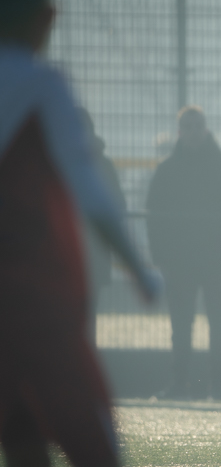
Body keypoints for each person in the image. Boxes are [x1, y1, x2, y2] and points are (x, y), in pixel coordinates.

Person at [0, 0, 161, 467]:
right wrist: (137, 268)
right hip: (40, 315)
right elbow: (89, 189)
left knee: (29, 464)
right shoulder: (42, 84)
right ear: (46, 16)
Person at [146, 106, 221, 399]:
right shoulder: (167, 170)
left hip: (217, 261)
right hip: (179, 263)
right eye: (187, 127)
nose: (193, 132)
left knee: (218, 325)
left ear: (205, 129)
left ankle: (218, 386)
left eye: (197, 126)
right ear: (180, 131)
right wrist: (161, 258)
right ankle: (180, 385)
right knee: (181, 325)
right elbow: (155, 217)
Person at [77, 107, 128, 340]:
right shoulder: (103, 164)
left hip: (83, 250)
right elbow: (118, 206)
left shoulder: (50, 161)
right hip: (94, 249)